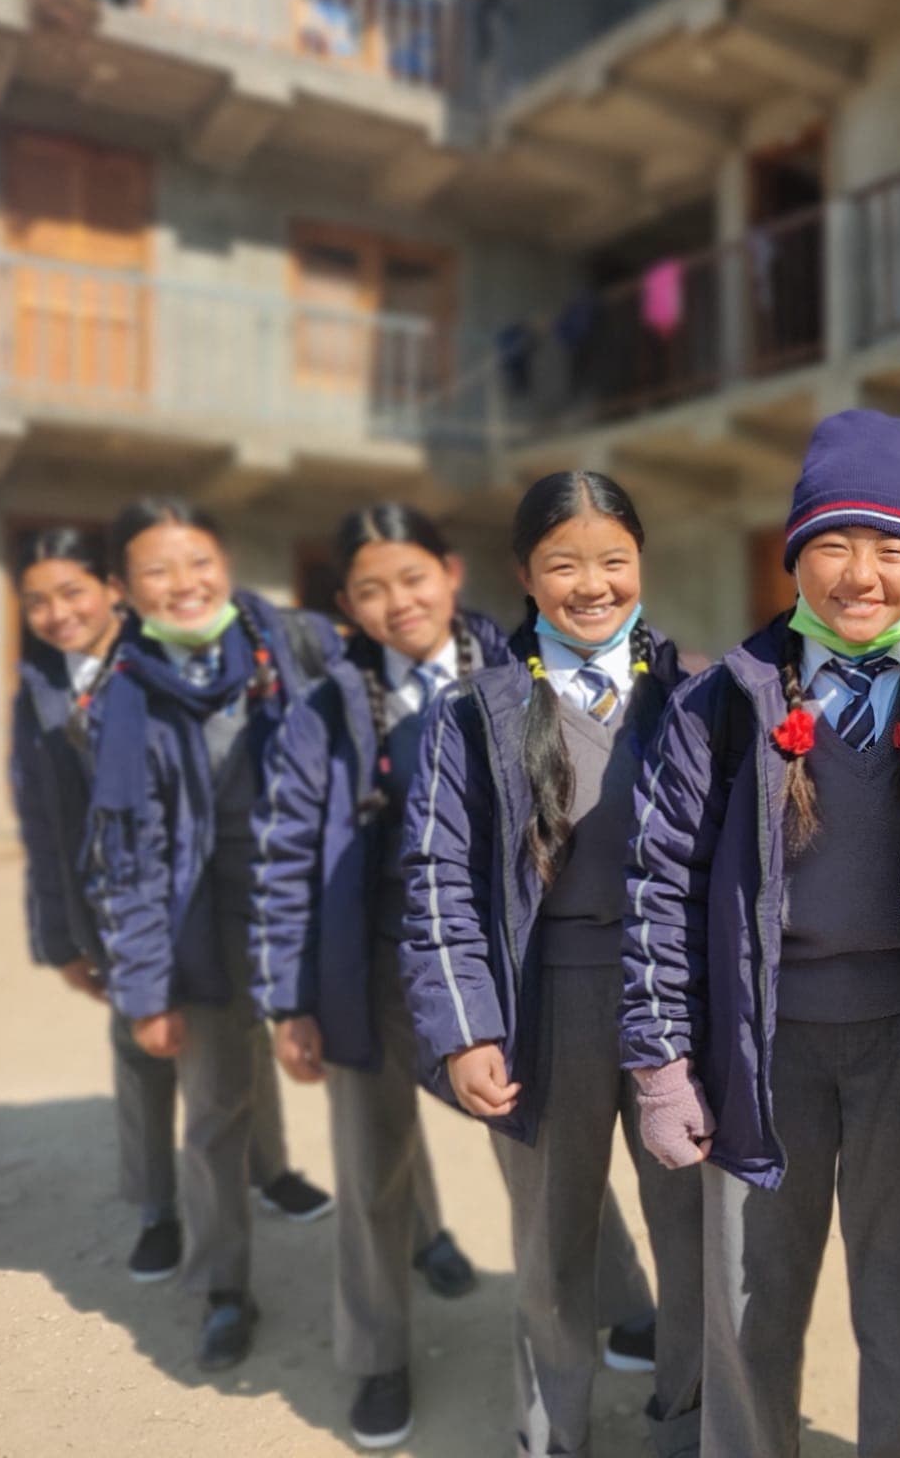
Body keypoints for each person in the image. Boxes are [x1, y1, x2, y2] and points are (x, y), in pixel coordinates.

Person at [624, 409, 900, 1458]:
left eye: (889, 548)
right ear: (792, 559)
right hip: (761, 1047)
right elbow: (662, 881)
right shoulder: (723, 700)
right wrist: (662, 1060)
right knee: (750, 1299)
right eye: (833, 544)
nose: (860, 574)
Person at [398, 472, 703, 1458]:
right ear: (524, 576)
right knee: (550, 1241)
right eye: (563, 564)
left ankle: (688, 1425)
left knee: (694, 1229)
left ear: (641, 562)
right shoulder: (472, 711)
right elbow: (437, 878)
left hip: (674, 1000)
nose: (592, 585)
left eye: (614, 560)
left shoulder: (701, 693)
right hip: (544, 1003)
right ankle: (553, 1432)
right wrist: (466, 1030)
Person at [249, 503, 496, 1447]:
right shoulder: (325, 708)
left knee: (541, 1149)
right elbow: (284, 858)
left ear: (451, 572)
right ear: (347, 606)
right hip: (370, 965)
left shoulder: (512, 672)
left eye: (413, 578)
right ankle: (378, 1358)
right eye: (370, 590)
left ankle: (620, 1305)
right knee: (369, 1169)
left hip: (492, 966)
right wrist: (290, 1001)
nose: (399, 603)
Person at [79, 498, 336, 1371]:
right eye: (157, 570)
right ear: (123, 589)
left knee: (370, 1088)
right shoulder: (124, 699)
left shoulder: (294, 648)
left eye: (198, 562)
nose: (184, 584)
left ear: (225, 564)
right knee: (215, 1110)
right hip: (207, 927)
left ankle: (414, 1245)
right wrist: (145, 991)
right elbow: (131, 858)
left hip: (314, 903)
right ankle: (225, 1288)